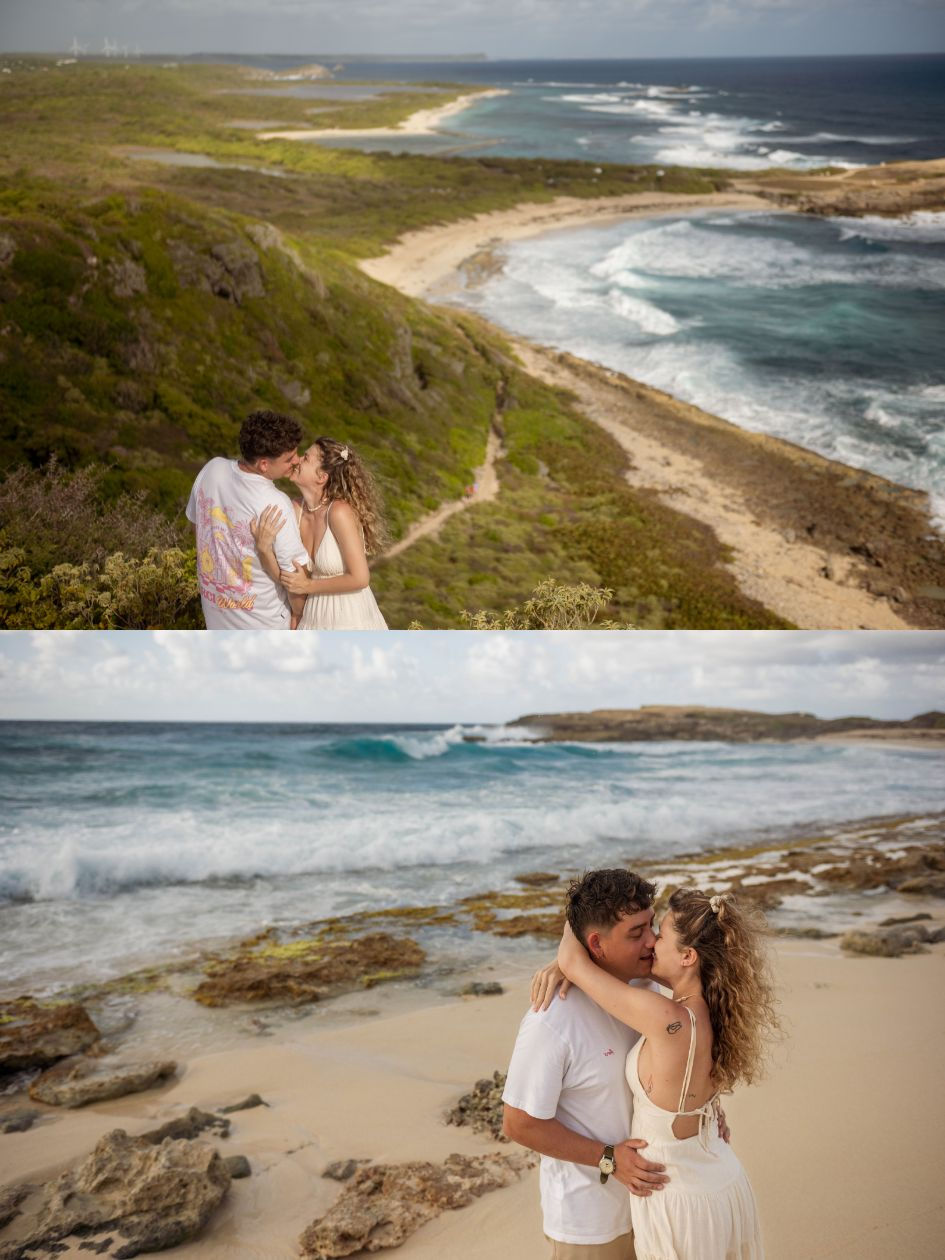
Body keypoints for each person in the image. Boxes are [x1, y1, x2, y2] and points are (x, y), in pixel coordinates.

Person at [544, 887, 777, 1260]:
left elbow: (574, 961)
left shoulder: (668, 1018)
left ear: (687, 956)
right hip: (719, 1178)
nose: (652, 942)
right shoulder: (713, 1010)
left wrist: (583, 914)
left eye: (661, 935)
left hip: (679, 1197)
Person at [501, 870, 672, 1260]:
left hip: (656, 1204)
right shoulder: (552, 1020)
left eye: (652, 926)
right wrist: (608, 1158)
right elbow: (518, 1122)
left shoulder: (650, 985)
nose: (652, 942)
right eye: (635, 934)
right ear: (596, 944)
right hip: (591, 1222)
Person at [186, 410, 310, 629]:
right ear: (264, 464)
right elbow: (296, 577)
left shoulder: (211, 469)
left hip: (216, 618)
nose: (297, 461)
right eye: (289, 458)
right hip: (265, 624)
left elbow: (196, 526)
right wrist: (299, 616)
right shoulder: (276, 503)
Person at [250, 436, 388, 630]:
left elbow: (360, 578)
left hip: (352, 617)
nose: (297, 460)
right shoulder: (294, 510)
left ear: (321, 477)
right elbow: (289, 578)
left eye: (306, 458)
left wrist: (308, 586)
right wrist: (264, 549)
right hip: (312, 617)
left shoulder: (339, 512)